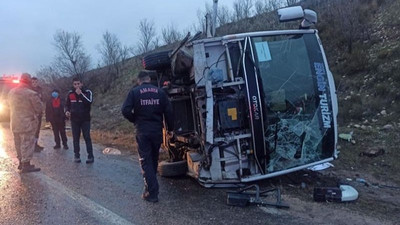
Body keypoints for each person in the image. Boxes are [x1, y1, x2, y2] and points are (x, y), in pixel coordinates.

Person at [121, 70, 174, 203]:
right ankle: (151, 186)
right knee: (154, 159)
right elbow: (169, 111)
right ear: (149, 79)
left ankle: (152, 193)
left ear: (139, 80)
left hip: (142, 130)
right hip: (157, 130)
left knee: (145, 161)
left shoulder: (134, 92)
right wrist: (170, 129)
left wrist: (135, 119)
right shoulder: (160, 92)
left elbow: (125, 110)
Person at [8, 73, 43, 172]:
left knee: (18, 143)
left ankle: (20, 162)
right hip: (28, 123)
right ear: (28, 81)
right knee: (27, 143)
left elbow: (9, 105)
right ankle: (26, 164)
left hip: (14, 122)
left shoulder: (11, 92)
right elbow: (39, 108)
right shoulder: (31, 93)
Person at [65, 77, 94, 163]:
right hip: (74, 120)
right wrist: (66, 111)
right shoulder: (70, 94)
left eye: (78, 84)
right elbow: (67, 105)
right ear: (73, 85)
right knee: (75, 138)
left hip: (85, 119)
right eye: (75, 84)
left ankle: (90, 156)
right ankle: (76, 155)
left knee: (87, 137)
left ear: (81, 84)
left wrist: (80, 94)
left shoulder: (88, 92)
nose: (77, 86)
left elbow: (89, 102)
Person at [31, 76, 45, 152]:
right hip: (32, 113)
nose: (34, 84)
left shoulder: (40, 89)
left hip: (39, 112)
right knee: (32, 130)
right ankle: (31, 146)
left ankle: (36, 144)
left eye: (36, 82)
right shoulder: (29, 90)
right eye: (33, 82)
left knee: (37, 130)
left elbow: (42, 100)